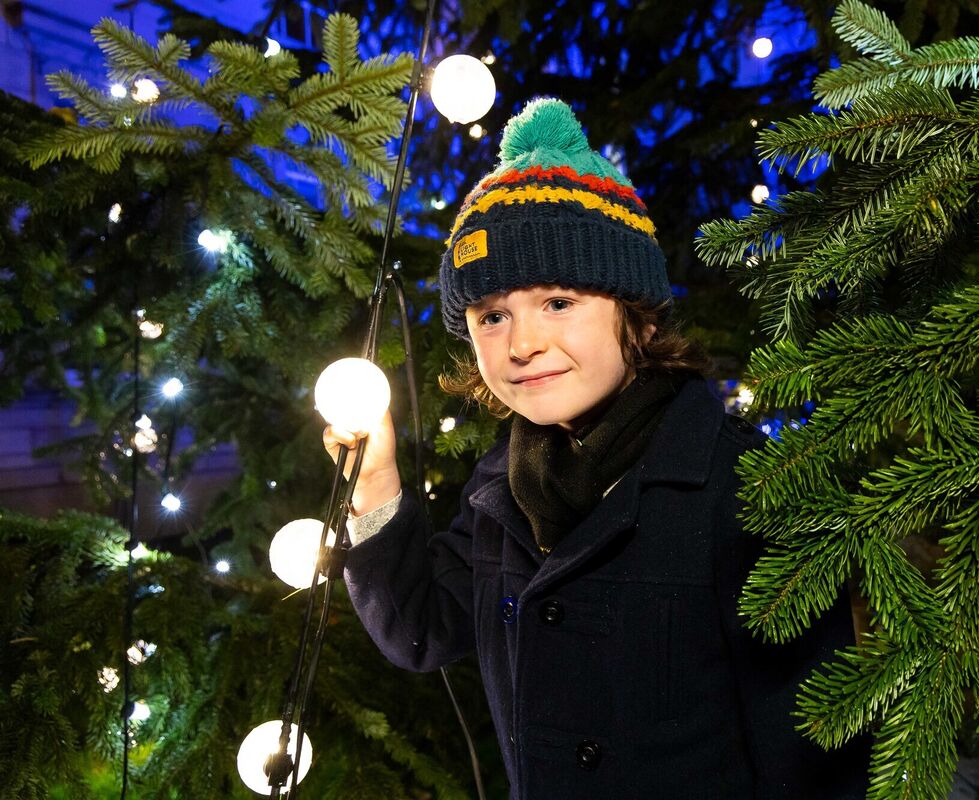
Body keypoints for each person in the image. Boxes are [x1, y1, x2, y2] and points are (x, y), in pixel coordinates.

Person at [326, 97, 868, 799]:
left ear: (634, 316)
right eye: (493, 315)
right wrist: (374, 483)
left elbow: (813, 755)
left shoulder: (737, 486)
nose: (522, 344)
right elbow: (420, 632)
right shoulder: (503, 485)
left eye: (558, 303)